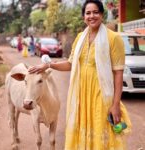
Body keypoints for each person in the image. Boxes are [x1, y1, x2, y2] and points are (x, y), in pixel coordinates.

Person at [29, 0, 131, 149]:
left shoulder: (113, 38)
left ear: (102, 14)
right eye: (88, 13)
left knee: (103, 135)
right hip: (80, 95)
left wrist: (115, 104)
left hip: (101, 96)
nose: (92, 16)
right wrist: (49, 65)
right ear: (84, 16)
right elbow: (70, 64)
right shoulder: (79, 39)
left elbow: (118, 73)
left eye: (95, 12)